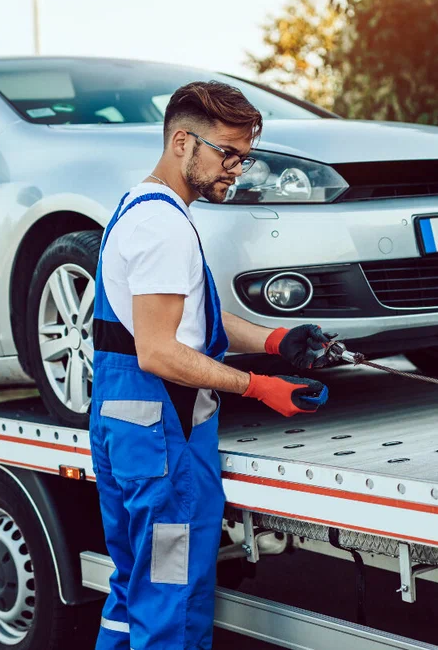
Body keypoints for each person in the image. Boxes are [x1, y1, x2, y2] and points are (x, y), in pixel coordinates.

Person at [89, 80, 334, 649]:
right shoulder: (164, 225)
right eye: (227, 154)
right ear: (182, 142)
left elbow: (183, 313)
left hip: (130, 430)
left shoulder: (138, 207)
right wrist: (257, 386)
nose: (236, 170)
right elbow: (159, 351)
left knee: (135, 589)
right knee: (171, 601)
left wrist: (275, 340)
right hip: (165, 439)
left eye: (243, 158)